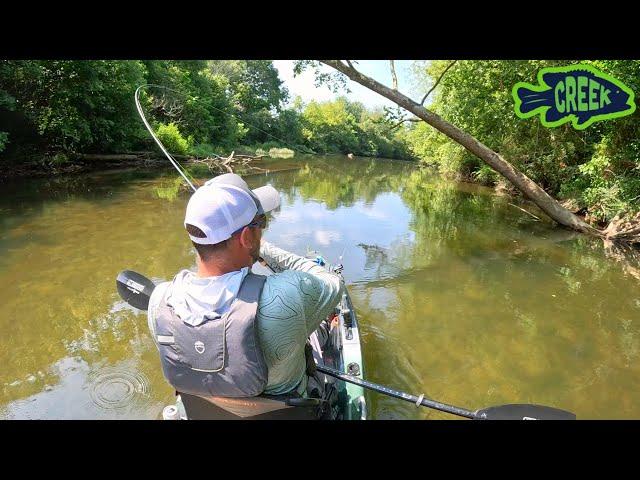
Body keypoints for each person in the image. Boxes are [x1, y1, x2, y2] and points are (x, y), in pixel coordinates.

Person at [146, 173, 345, 417]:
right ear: (247, 237)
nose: (262, 231)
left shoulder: (160, 301)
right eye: (260, 224)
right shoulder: (284, 295)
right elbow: (333, 282)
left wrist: (253, 244)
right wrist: (265, 250)